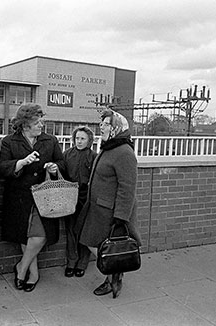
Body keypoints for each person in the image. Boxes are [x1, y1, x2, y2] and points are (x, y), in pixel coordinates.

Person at [0, 103, 64, 292]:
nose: (42, 125)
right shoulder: (9, 141)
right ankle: (33, 274)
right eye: (37, 122)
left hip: (43, 195)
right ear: (25, 124)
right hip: (19, 197)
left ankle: (21, 268)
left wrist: (54, 167)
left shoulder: (50, 140)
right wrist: (21, 163)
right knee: (25, 236)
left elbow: (61, 162)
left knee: (39, 236)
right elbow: (2, 167)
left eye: (42, 121)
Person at [76, 108, 141, 299]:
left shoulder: (124, 152)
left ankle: (114, 277)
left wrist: (121, 218)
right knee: (92, 242)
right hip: (98, 208)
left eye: (106, 124)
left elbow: (127, 188)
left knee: (107, 247)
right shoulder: (109, 147)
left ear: (116, 128)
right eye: (101, 123)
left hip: (111, 211)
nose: (101, 127)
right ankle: (115, 273)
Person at [60, 126, 97, 278]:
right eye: (77, 138)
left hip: (86, 197)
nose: (79, 141)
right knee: (71, 230)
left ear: (89, 140)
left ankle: (82, 263)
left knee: (84, 231)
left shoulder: (94, 156)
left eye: (83, 138)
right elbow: (61, 172)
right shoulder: (67, 154)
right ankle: (71, 262)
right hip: (70, 195)